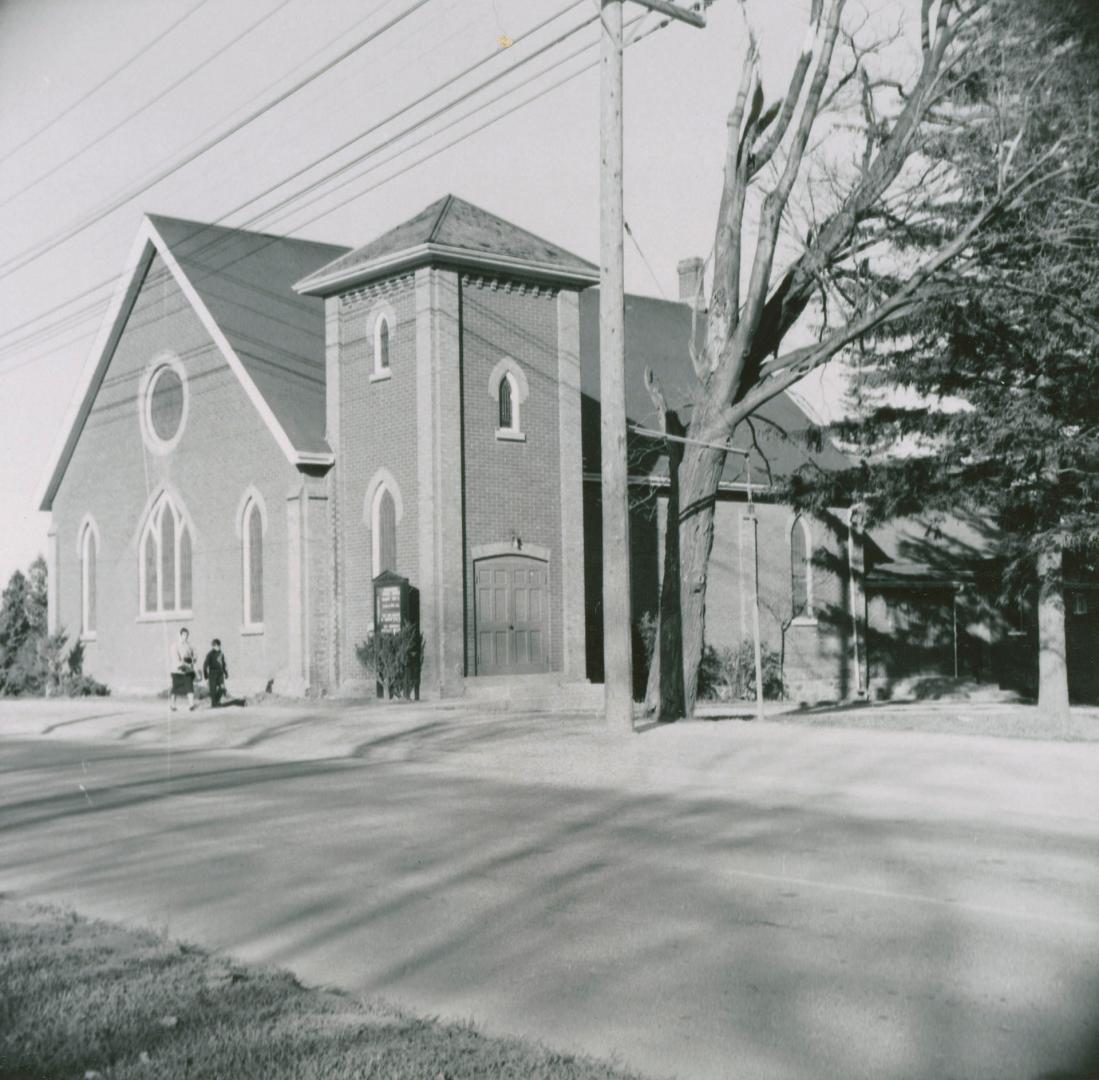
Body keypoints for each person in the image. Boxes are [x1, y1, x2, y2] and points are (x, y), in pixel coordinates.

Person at [203, 639, 246, 708]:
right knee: (213, 689)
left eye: (218, 645)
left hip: (220, 674)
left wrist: (226, 673)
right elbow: (205, 665)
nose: (217, 647)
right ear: (213, 646)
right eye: (216, 646)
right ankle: (214, 704)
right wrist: (205, 674)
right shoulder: (210, 654)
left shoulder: (221, 654)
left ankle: (216, 701)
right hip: (212, 674)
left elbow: (223, 664)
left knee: (222, 688)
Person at [169, 627, 198, 711]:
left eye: (186, 635)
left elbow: (195, 654)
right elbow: (175, 658)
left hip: (187, 670)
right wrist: (183, 662)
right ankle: (172, 705)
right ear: (180, 635)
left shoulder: (190, 645)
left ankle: (191, 705)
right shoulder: (175, 645)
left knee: (190, 687)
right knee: (175, 687)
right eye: (183, 635)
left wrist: (192, 660)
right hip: (177, 670)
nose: (185, 637)